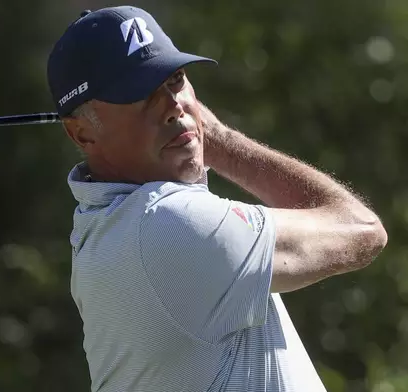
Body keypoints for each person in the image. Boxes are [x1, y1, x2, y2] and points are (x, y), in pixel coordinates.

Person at [46, 6, 388, 392]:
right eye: (139, 93)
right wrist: (219, 140)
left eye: (174, 79)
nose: (173, 105)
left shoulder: (107, 229)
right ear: (82, 134)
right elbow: (362, 230)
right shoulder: (166, 224)